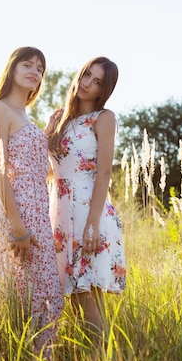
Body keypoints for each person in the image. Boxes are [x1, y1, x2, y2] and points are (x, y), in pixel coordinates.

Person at [0, 47, 64, 359]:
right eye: (27, 64)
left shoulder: (24, 116)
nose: (35, 71)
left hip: (38, 211)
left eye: (40, 68)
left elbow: (37, 170)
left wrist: (46, 133)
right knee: (22, 291)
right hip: (17, 212)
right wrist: (17, 227)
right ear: (12, 69)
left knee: (43, 291)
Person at [46, 56, 126, 344]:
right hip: (62, 212)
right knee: (77, 295)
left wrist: (92, 224)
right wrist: (48, 132)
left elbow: (104, 172)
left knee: (86, 292)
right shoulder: (61, 120)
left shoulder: (103, 118)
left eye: (97, 82)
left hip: (87, 210)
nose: (87, 84)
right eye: (86, 75)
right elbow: (47, 173)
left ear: (104, 90)